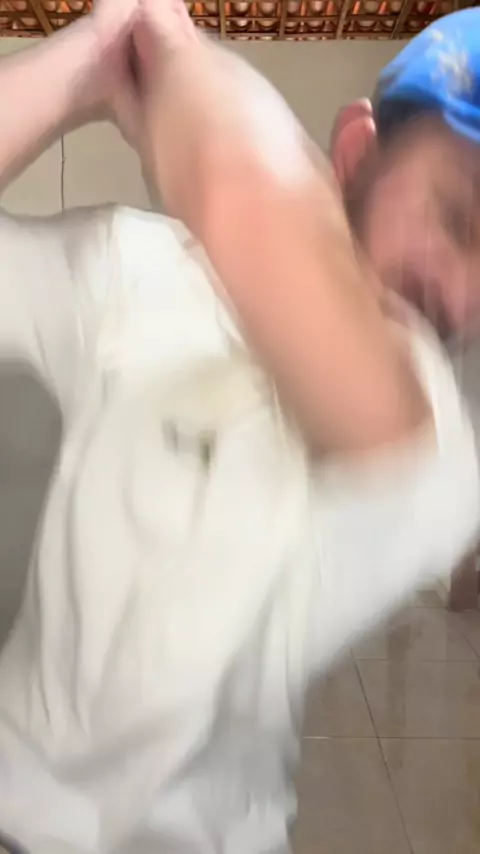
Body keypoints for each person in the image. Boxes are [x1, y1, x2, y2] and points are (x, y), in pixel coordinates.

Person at [0, 1, 478, 852]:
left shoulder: (433, 442)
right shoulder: (137, 276)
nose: (467, 296)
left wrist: (172, 46)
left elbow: (248, 203)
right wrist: (87, 60)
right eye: (459, 219)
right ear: (357, 153)